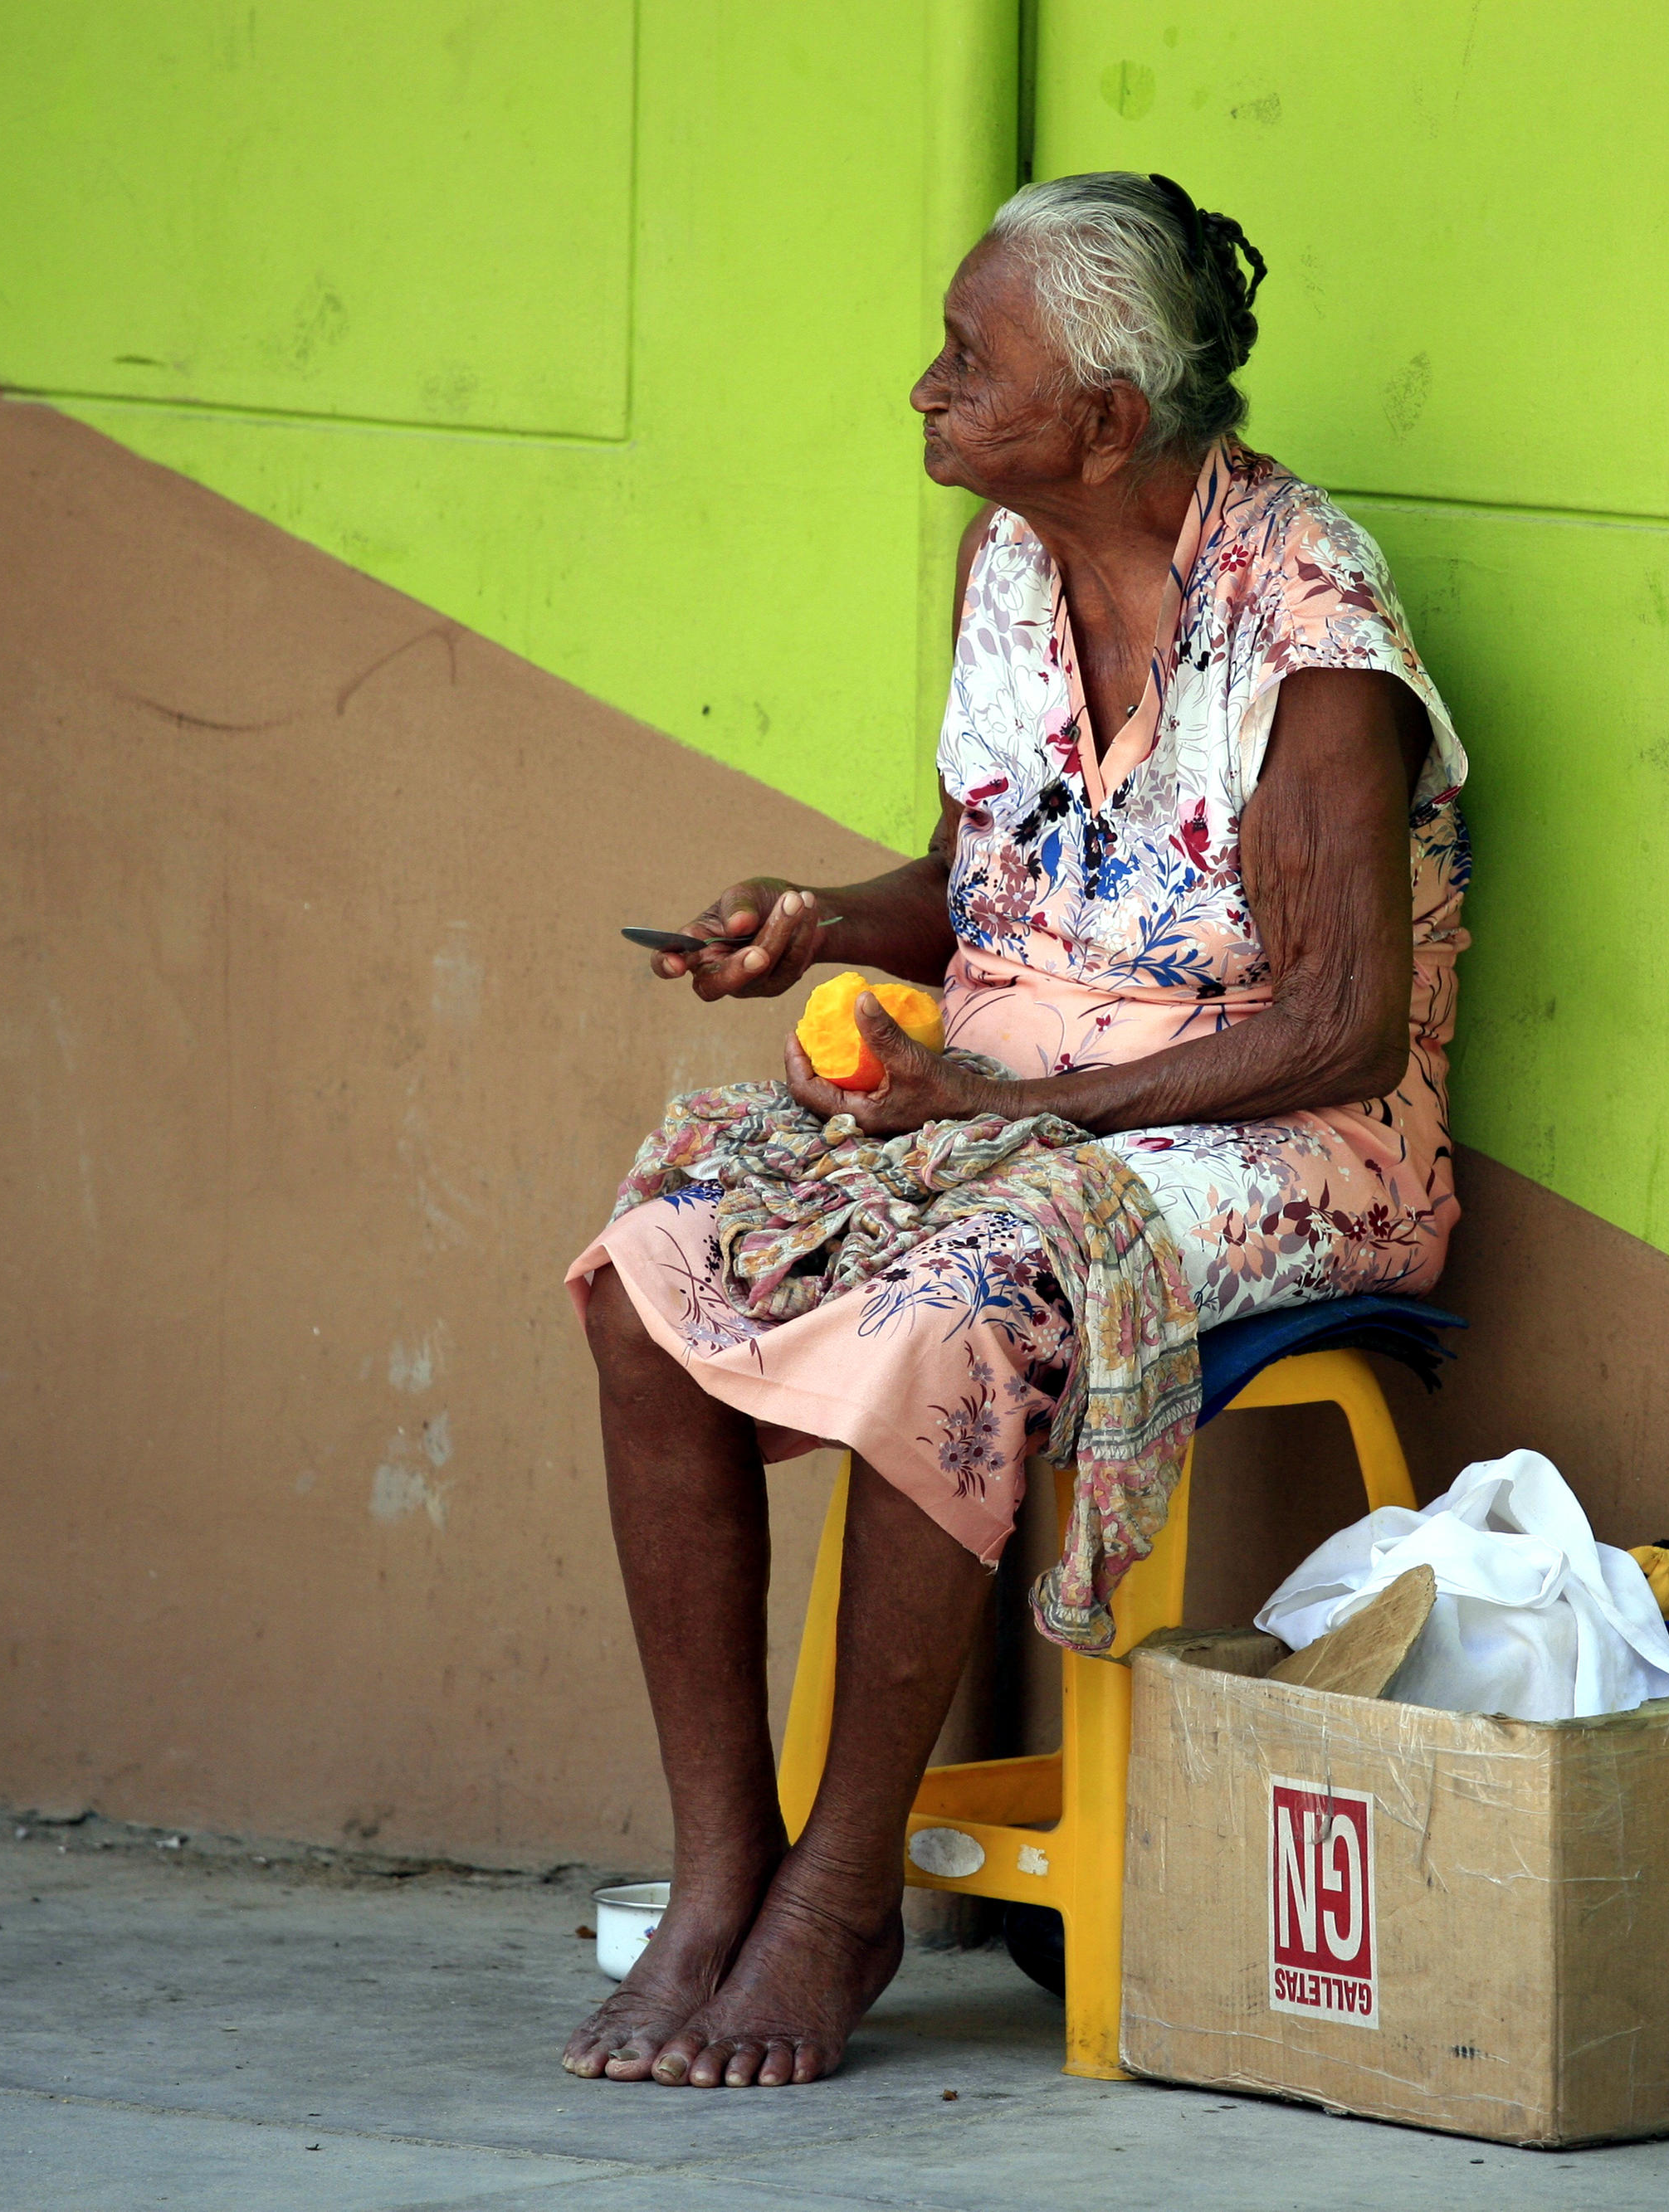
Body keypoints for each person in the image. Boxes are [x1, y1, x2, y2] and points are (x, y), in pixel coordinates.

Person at [559, 171, 1468, 2088]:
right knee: (651, 1270)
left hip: (1278, 1143)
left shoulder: (1310, 621)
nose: (923, 391)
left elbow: (1337, 1022)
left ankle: (841, 1893)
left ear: (1107, 421)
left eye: (970, 364)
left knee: (954, 1296)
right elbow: (993, 888)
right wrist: (819, 920)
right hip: (1020, 1109)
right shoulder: (1009, 569)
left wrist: (1027, 1112)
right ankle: (723, 1867)